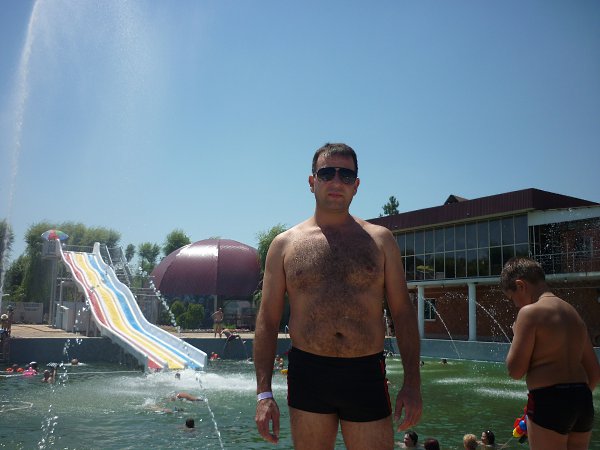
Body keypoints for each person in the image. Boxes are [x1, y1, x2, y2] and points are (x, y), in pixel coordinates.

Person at [254, 143, 422, 449]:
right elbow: (267, 320)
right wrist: (264, 394)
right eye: (326, 173)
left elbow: (402, 313)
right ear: (312, 181)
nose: (336, 181)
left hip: (365, 372)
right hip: (309, 373)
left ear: (356, 185)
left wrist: (412, 383)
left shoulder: (380, 240)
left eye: (345, 175)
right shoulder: (284, 245)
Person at [502, 257, 600, 450]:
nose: (515, 305)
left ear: (520, 286)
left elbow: (515, 371)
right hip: (582, 402)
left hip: (549, 400)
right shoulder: (573, 314)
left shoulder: (529, 313)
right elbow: (594, 373)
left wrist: (516, 335)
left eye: (512, 298)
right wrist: (573, 400)